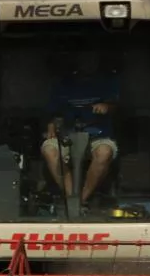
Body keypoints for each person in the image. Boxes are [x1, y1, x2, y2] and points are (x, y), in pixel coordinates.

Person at [41, 54, 120, 212]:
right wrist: (51, 125)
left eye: (92, 59)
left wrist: (106, 106)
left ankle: (81, 200)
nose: (88, 63)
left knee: (104, 153)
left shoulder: (107, 82)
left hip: (98, 135)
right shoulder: (63, 84)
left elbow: (116, 106)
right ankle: (71, 198)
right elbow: (53, 112)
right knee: (49, 150)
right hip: (67, 135)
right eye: (84, 59)